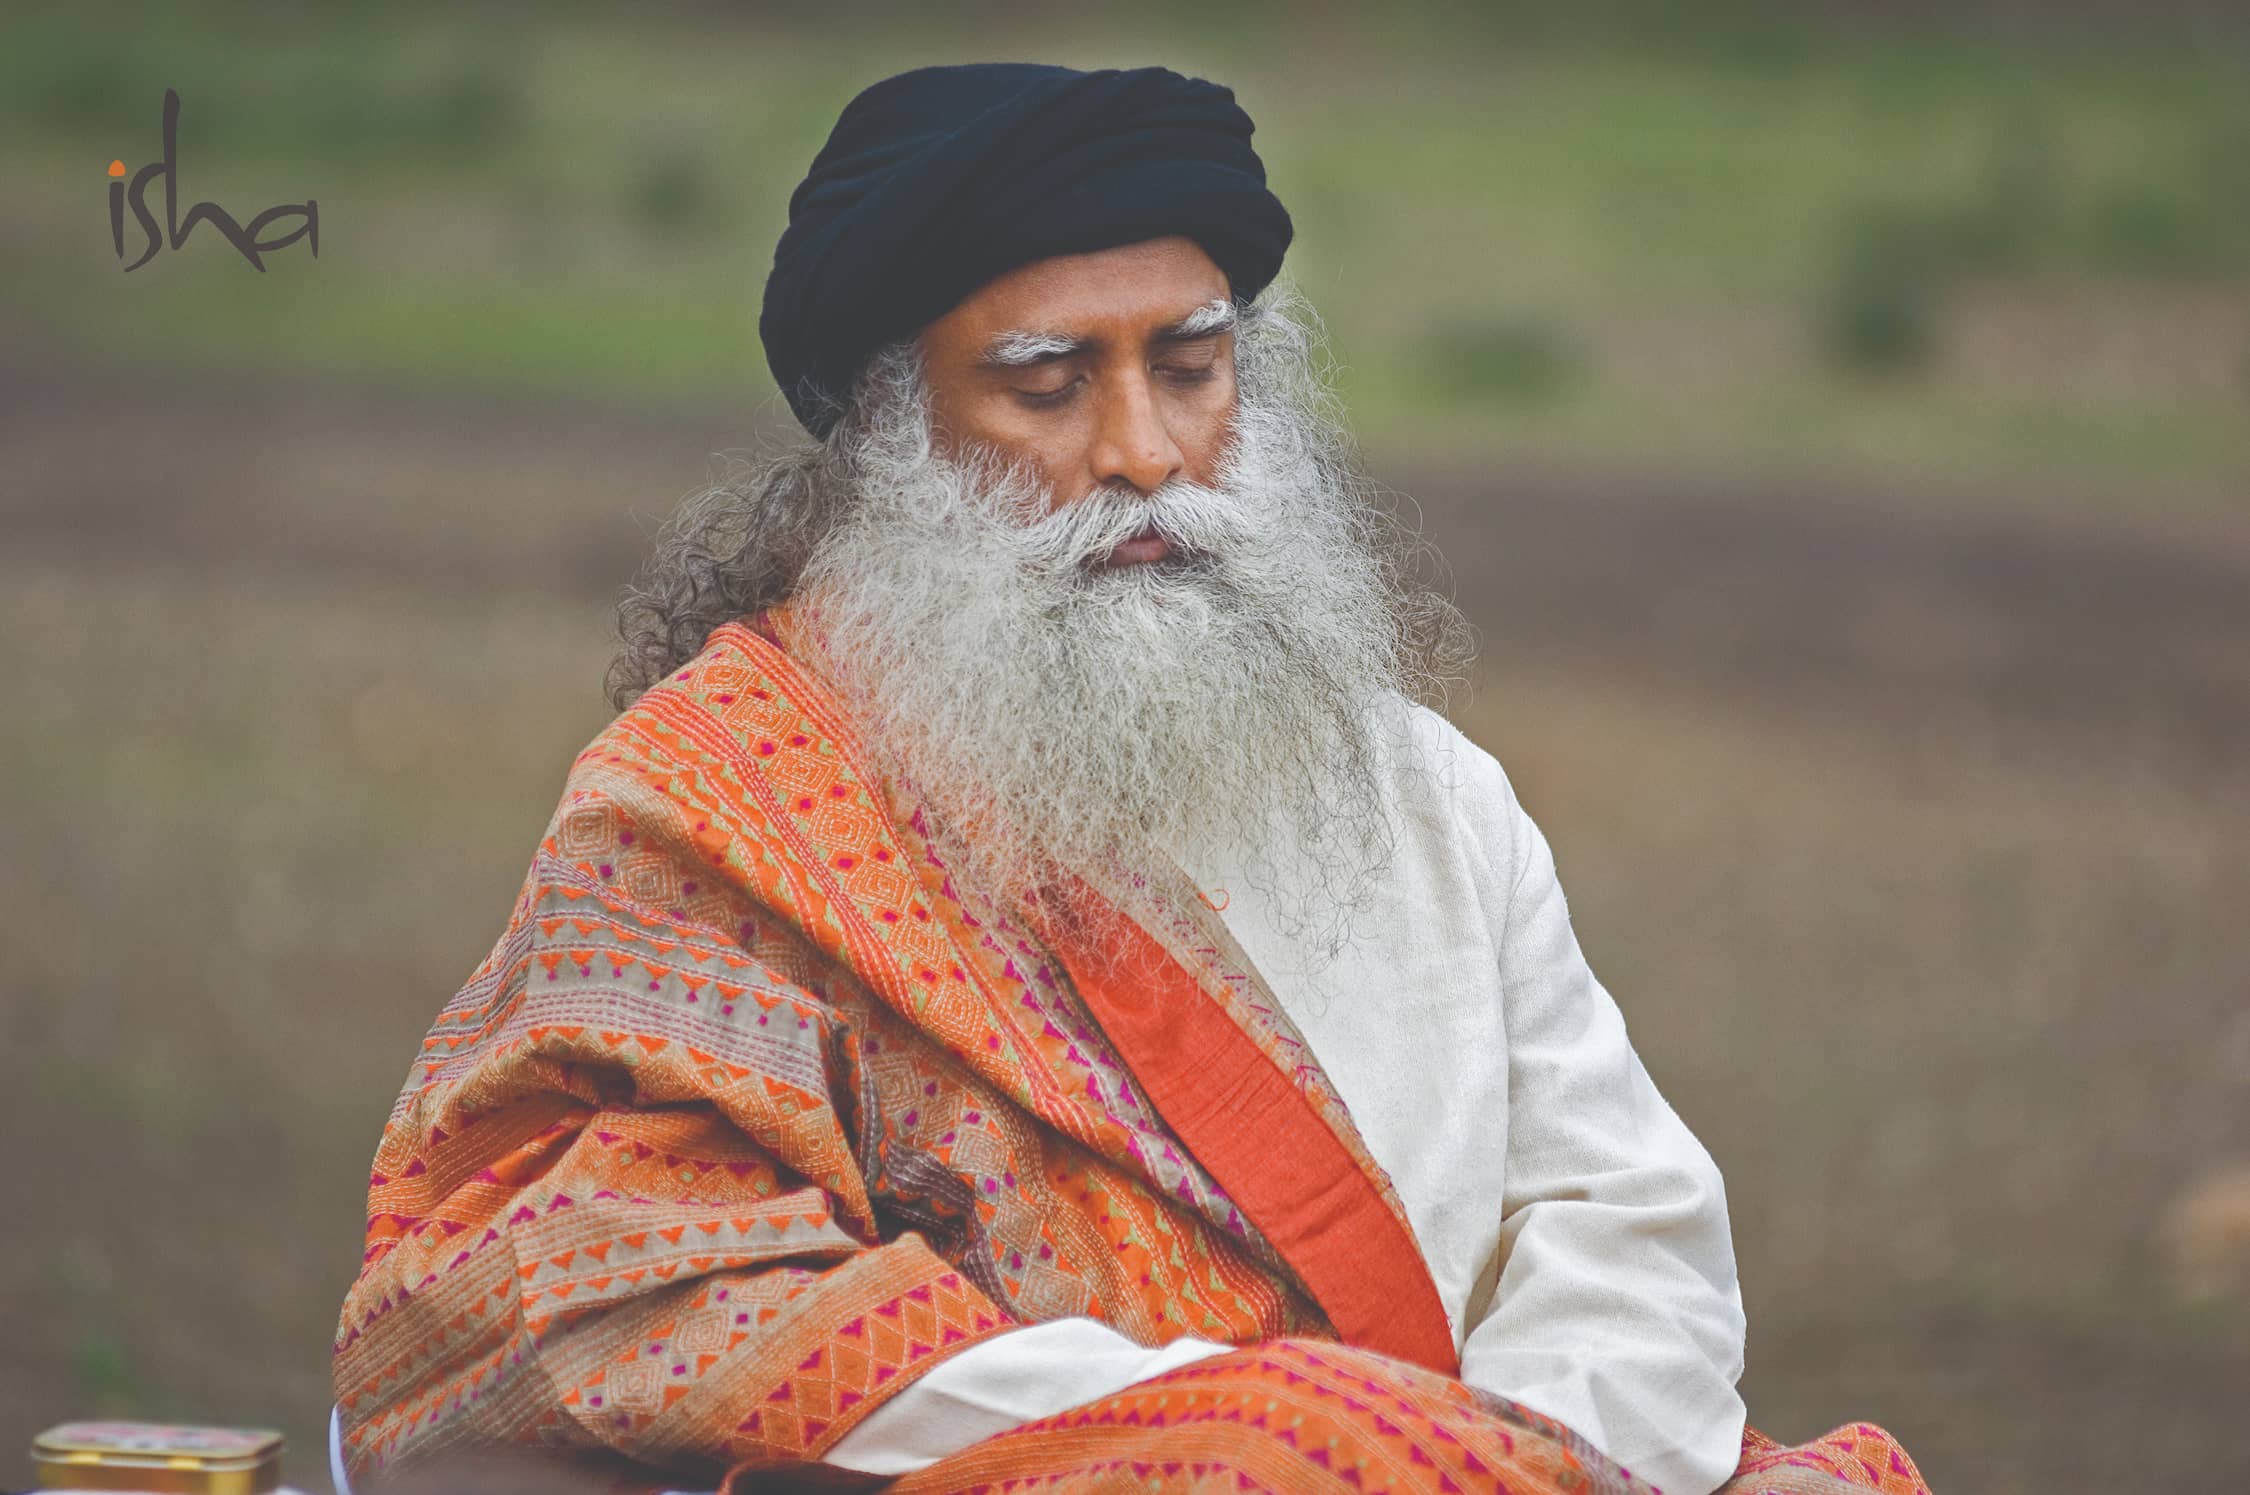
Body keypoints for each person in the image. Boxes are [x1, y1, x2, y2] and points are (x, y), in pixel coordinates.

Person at [333, 63, 1930, 1495]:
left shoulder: (1428, 795)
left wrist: (1504, 1466)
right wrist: (1265, 1451)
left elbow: (1621, 1226)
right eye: (1045, 385)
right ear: (894, 424)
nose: (1144, 450)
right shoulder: (707, 813)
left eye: (1189, 366)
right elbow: (621, 1281)